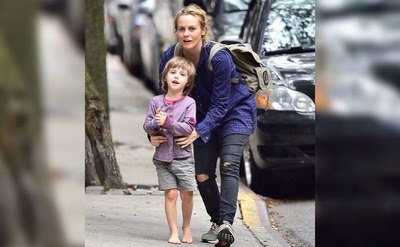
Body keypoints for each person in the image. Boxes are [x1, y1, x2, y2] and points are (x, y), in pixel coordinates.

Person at [151, 4, 257, 246]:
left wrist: (198, 131)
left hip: (234, 113)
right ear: (176, 31)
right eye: (181, 29)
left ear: (202, 30)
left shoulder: (218, 58)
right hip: (198, 118)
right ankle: (218, 222)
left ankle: (227, 223)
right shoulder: (170, 57)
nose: (186, 34)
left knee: (229, 164)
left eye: (192, 29)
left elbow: (220, 106)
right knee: (201, 174)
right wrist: (155, 133)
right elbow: (164, 99)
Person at [143, 56, 197, 244]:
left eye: (182, 74)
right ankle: (173, 231)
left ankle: (187, 227)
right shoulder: (156, 101)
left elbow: (189, 128)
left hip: (183, 158)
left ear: (187, 82)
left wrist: (168, 122)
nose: (176, 76)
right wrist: (154, 124)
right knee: (171, 193)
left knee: (187, 194)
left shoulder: (189, 103)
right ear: (165, 77)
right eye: (172, 72)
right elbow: (146, 126)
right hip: (162, 158)